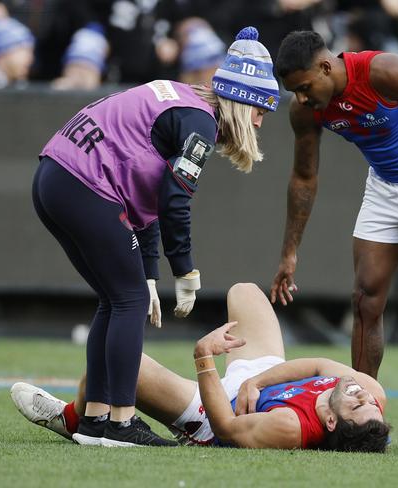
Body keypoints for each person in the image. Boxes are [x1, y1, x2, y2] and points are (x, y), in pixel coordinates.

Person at [31, 26, 279, 447]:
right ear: (244, 101)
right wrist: (184, 271)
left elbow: (143, 193)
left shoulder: (183, 101)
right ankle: (121, 425)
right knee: (126, 300)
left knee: (116, 298)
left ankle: (95, 421)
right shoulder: (200, 124)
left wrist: (148, 270)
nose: (260, 121)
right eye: (261, 111)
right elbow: (173, 201)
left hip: (55, 176)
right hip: (83, 184)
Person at [269, 30, 398, 449]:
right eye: (296, 92)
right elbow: (304, 176)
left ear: (326, 67)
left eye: (305, 87)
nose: (303, 98)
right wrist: (290, 252)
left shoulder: (382, 70)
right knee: (365, 299)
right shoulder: (306, 109)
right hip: (384, 187)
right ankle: (364, 413)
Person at [10, 283, 390, 451]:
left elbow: (227, 427)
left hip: (219, 411)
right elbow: (321, 363)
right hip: (260, 386)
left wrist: (204, 357)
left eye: (356, 404)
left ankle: (72, 418)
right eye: (367, 400)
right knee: (245, 292)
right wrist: (256, 380)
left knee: (113, 368)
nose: (360, 393)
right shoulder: (372, 396)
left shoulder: (289, 427)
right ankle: (82, 417)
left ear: (330, 424)